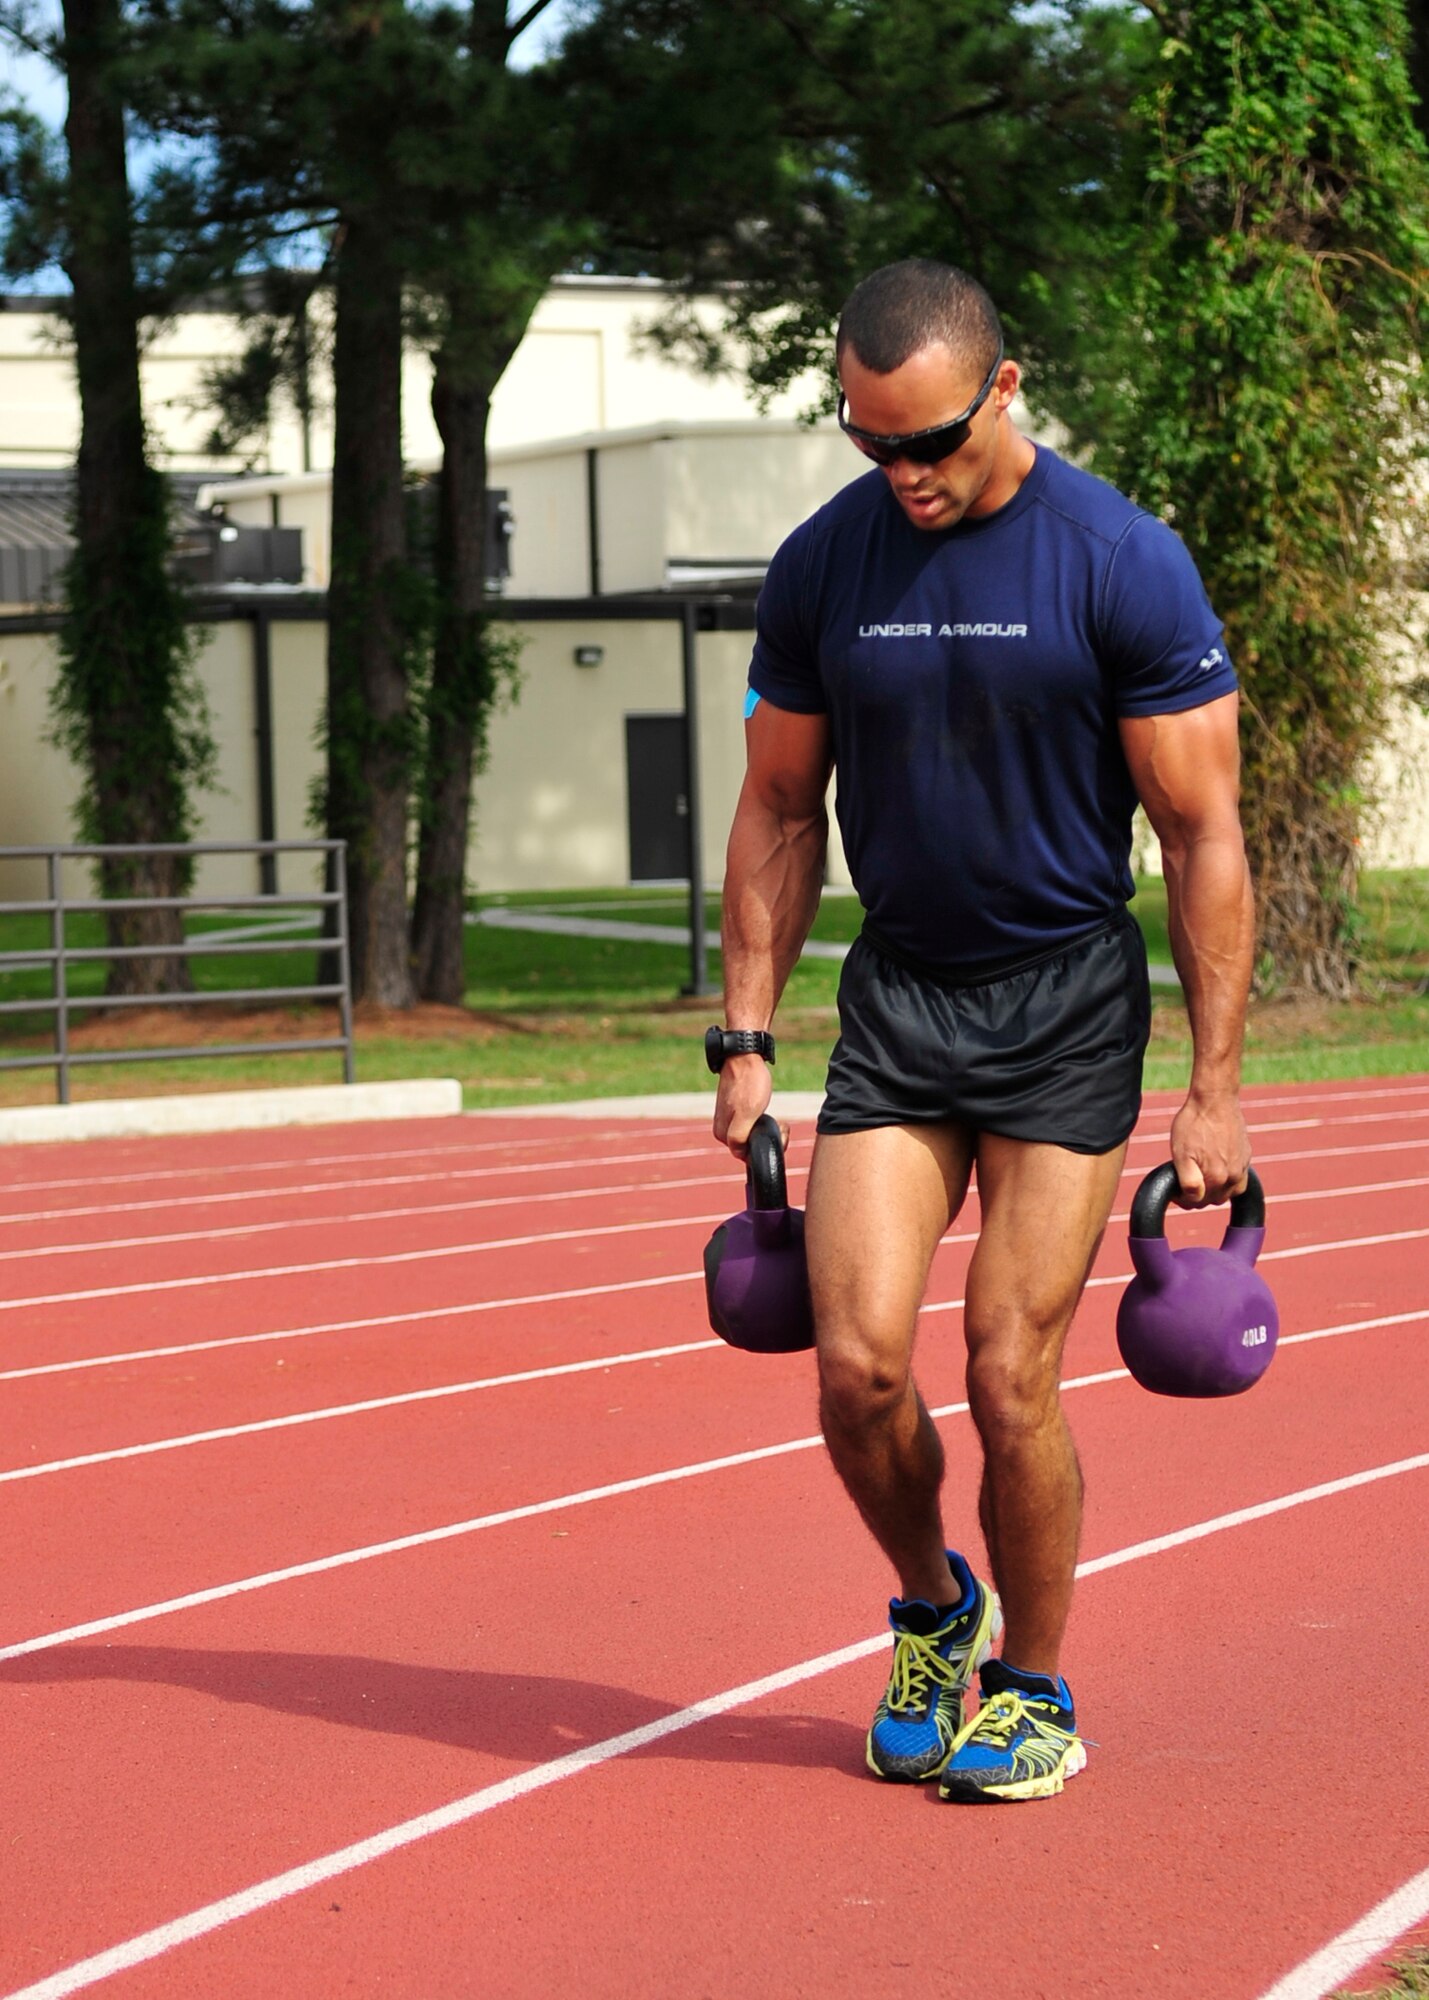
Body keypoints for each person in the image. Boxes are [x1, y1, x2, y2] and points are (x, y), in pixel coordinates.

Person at [708, 258, 1253, 1803]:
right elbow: (773, 802)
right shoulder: (827, 564)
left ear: (1002, 390)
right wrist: (744, 1032)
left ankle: (1033, 1687)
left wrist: (1214, 1090)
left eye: (928, 443)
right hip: (900, 998)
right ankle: (936, 1611)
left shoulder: (1117, 561)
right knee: (857, 1369)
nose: (903, 476)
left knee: (1009, 1371)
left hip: (1066, 1007)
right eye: (869, 444)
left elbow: (1203, 836)